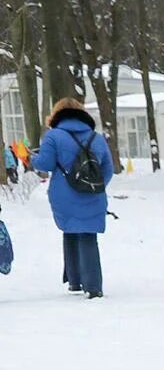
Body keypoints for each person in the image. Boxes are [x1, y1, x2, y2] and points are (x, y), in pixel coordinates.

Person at [31, 98, 114, 299]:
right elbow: (108, 170)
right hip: (94, 193)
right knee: (88, 234)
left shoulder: (53, 136)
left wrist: (31, 158)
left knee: (70, 230)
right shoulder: (97, 138)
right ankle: (92, 285)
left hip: (63, 194)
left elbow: (46, 164)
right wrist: (93, 185)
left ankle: (76, 281)